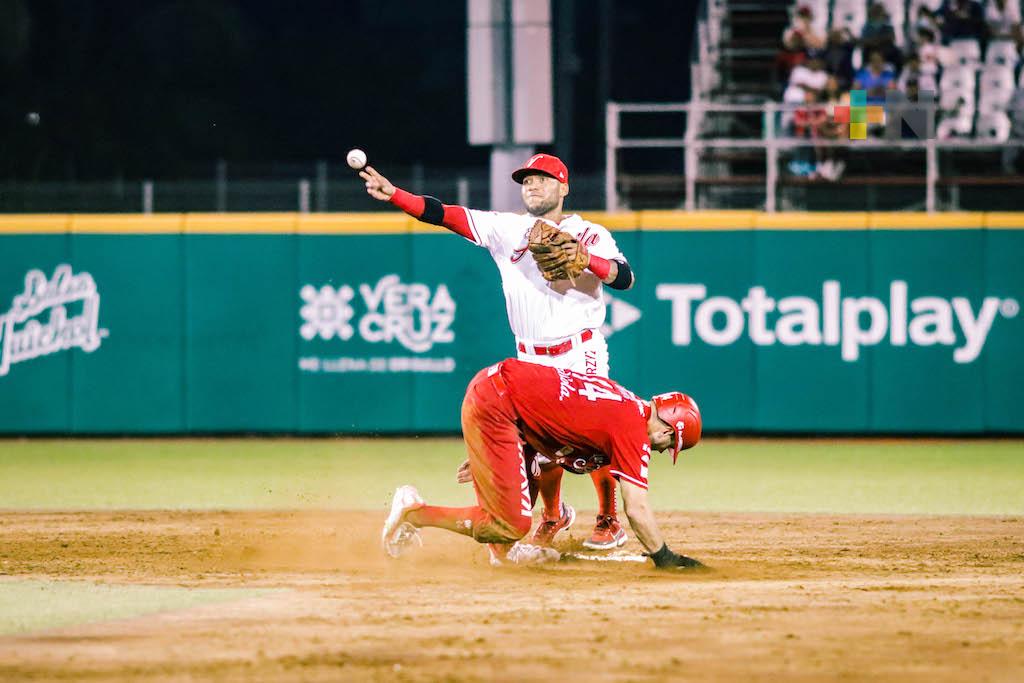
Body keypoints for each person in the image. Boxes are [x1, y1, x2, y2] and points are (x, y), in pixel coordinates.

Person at [360, 154, 636, 551]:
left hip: (580, 350)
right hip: (532, 358)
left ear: (564, 187)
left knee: (600, 430)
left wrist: (585, 259)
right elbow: (444, 214)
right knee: (539, 445)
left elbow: (624, 277)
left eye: (543, 179)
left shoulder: (590, 233)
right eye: (527, 180)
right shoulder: (508, 229)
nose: (533, 185)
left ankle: (609, 520)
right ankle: (554, 515)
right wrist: (396, 195)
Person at [381, 358, 704, 568]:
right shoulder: (633, 429)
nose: (662, 450)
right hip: (499, 406)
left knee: (530, 475)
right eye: (670, 443)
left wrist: (496, 451)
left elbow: (555, 410)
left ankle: (503, 550)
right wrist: (665, 557)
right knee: (510, 524)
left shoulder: (625, 400)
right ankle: (415, 513)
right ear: (666, 427)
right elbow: (637, 508)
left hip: (500, 396)